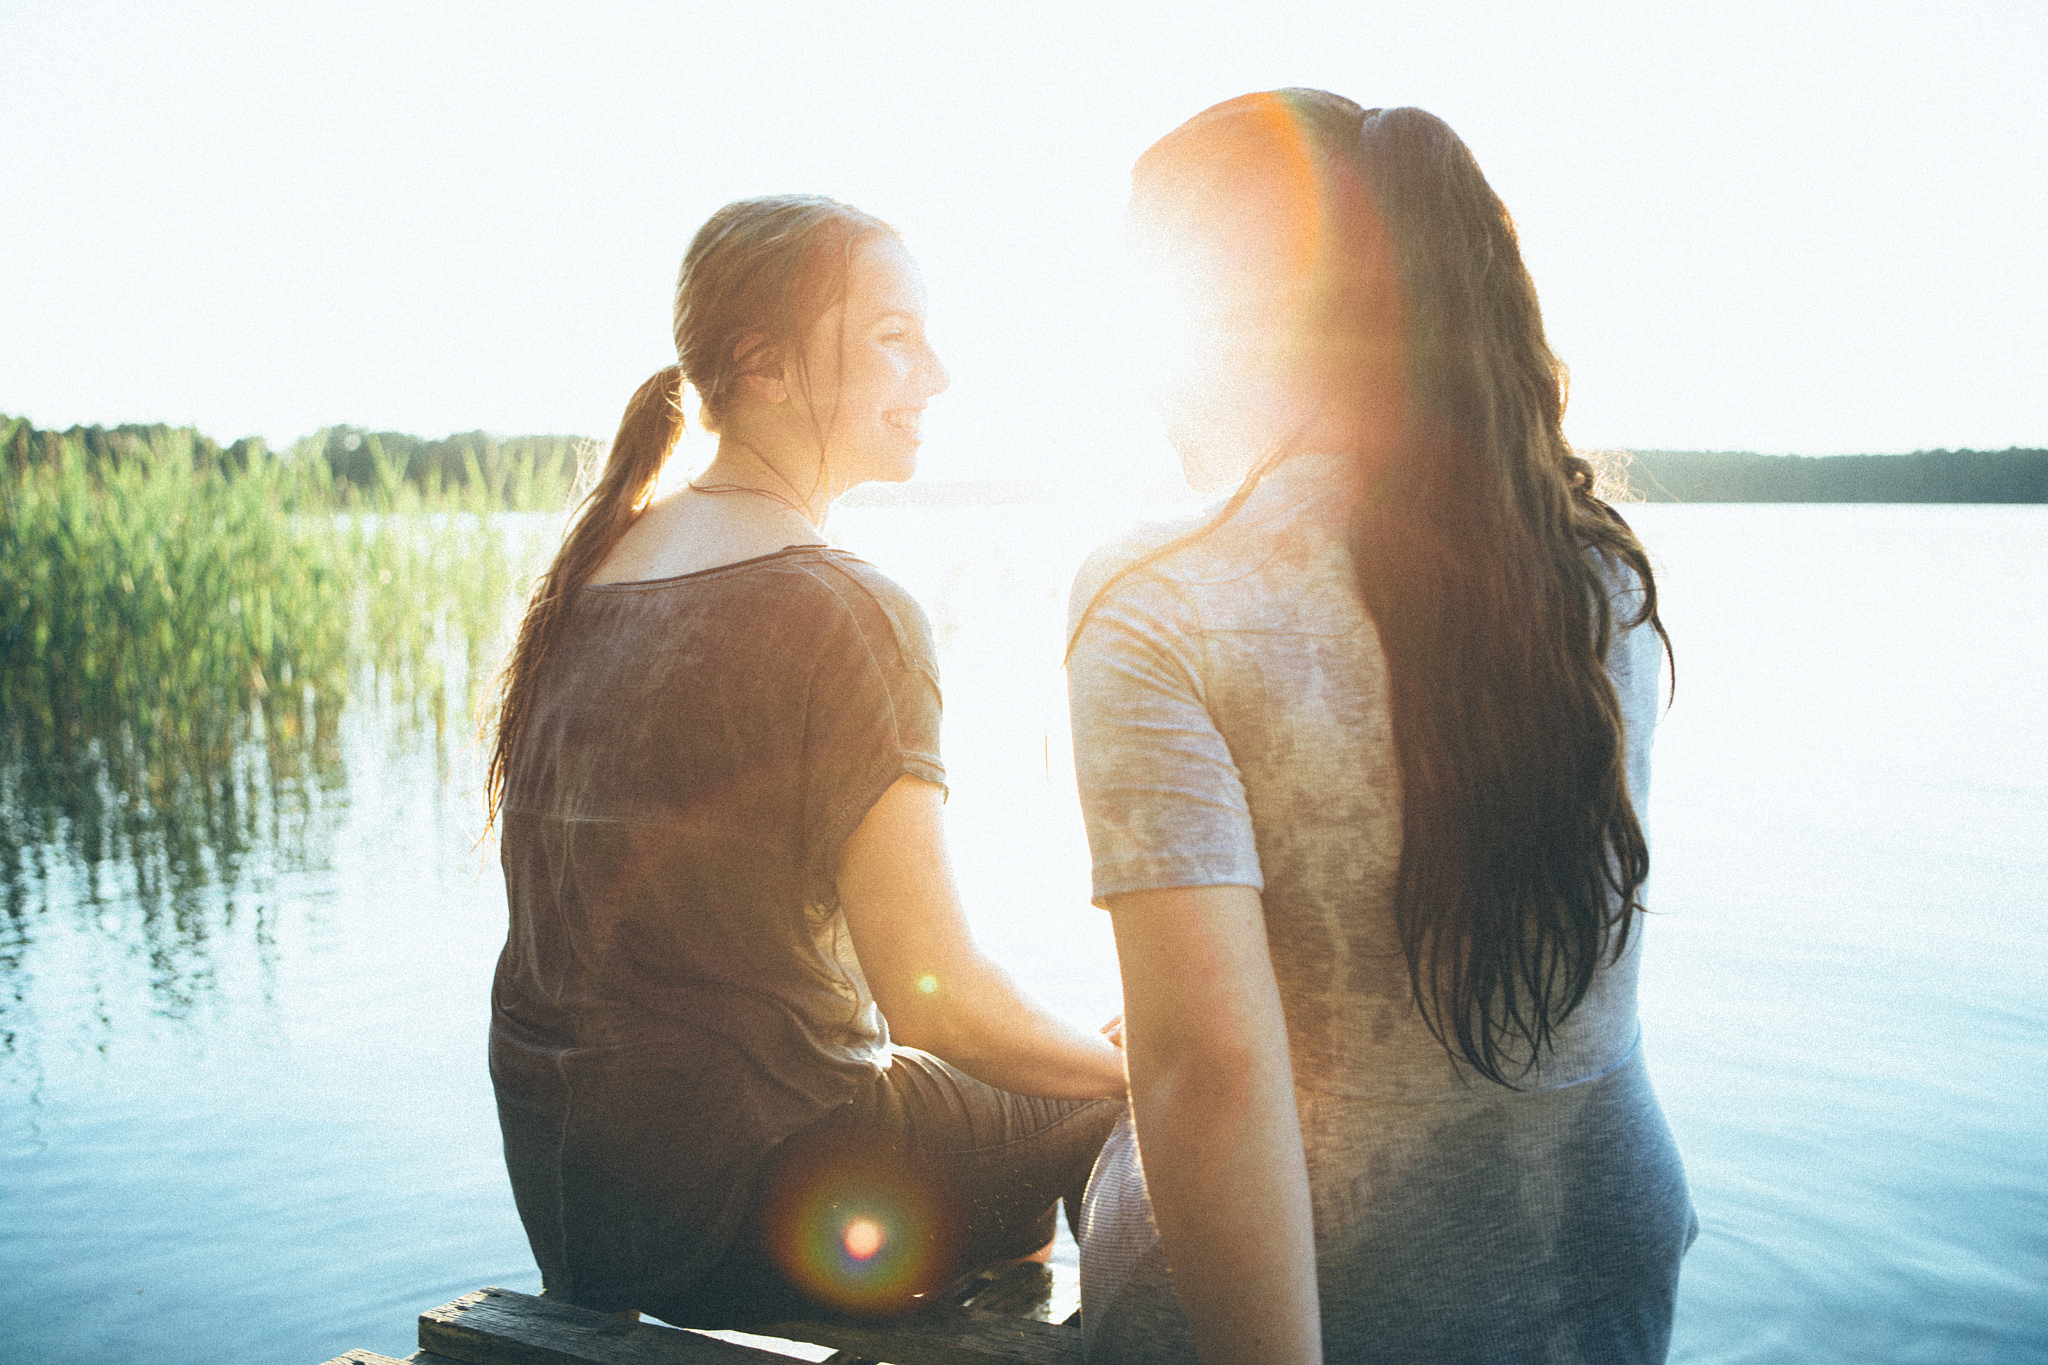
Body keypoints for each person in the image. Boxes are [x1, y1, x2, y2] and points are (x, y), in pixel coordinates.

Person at [1066, 93, 1696, 1364]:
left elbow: (1206, 1078)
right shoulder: (1596, 571)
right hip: (1593, 1257)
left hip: (1309, 1287)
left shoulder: (1161, 597)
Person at [484, 194, 1126, 1328]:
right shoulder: (841, 608)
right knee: (1099, 1101)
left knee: (1048, 1074)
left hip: (587, 1214)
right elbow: (940, 1004)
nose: (937, 372)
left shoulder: (589, 575)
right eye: (893, 335)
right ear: (762, 365)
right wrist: (1145, 1072)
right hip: (752, 1216)